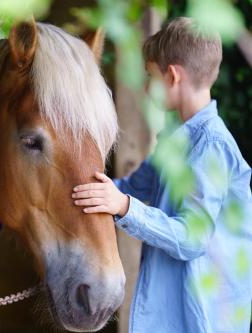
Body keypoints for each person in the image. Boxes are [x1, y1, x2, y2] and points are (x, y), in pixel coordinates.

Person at [72, 17, 252, 332]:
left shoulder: (211, 148)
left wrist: (124, 206)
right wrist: (78, 187)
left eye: (149, 76)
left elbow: (192, 238)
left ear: (172, 76)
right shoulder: (176, 139)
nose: (144, 86)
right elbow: (130, 188)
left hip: (202, 321)